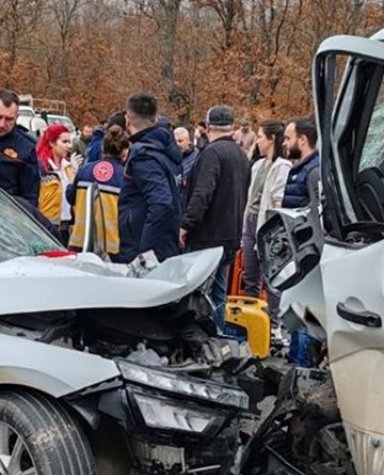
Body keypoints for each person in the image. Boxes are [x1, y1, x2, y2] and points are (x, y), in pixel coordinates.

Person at [180, 104, 251, 328]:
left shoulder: (212, 153)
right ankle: (218, 336)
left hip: (207, 236)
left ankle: (198, 341)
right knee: (219, 295)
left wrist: (186, 224)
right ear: (232, 127)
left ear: (208, 127)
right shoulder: (241, 155)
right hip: (230, 235)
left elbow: (203, 192)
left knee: (196, 295)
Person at [117, 92, 184, 264]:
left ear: (128, 120)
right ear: (155, 119)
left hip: (143, 247)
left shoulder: (144, 156)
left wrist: (144, 253)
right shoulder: (167, 151)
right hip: (166, 242)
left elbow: (161, 202)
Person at [241, 120, 293, 315]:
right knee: (250, 274)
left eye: (261, 137)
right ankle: (250, 317)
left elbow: (277, 201)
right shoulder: (257, 165)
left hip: (266, 225)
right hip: (251, 221)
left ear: (271, 139)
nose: (258, 142)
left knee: (270, 277)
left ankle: (274, 321)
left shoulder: (282, 166)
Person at [67, 124, 130, 256]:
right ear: (124, 152)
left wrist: (71, 180)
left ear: (103, 148)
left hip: (80, 243)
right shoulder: (125, 176)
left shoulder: (85, 170)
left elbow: (70, 198)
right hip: (111, 247)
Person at [37, 124, 77, 238]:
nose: (69, 146)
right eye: (64, 142)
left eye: (70, 142)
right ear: (52, 143)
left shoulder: (68, 168)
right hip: (47, 227)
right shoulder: (41, 168)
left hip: (67, 227)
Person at [282, 117, 321, 209]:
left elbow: (317, 211)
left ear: (303, 139)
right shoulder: (299, 169)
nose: (284, 143)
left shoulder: (314, 172)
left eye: (288, 138)